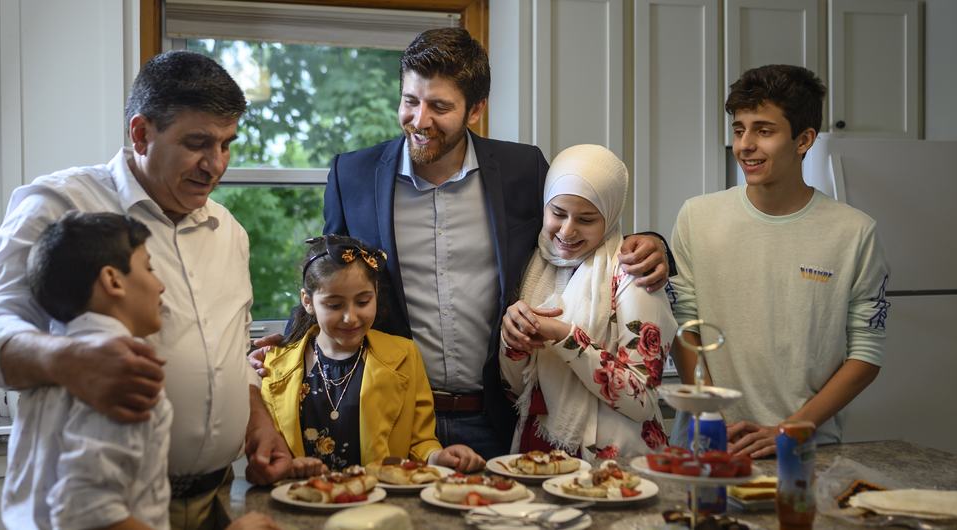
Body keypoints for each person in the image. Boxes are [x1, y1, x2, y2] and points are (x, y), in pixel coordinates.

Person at [250, 28, 671, 458]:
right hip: (395, 414)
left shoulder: (521, 169)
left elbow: (582, 228)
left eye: (440, 106)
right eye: (410, 101)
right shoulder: (353, 175)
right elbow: (329, 272)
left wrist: (654, 243)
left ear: (476, 110)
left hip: (498, 416)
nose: (420, 120)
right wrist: (286, 349)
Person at [0, 50, 286, 530]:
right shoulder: (62, 204)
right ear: (141, 133)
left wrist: (257, 415)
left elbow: (232, 348)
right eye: (197, 143)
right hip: (111, 505)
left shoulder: (230, 230)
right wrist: (66, 361)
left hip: (216, 496)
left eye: (226, 143)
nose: (215, 165)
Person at [668, 64, 890, 458]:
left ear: (804, 140)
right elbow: (684, 326)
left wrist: (790, 429)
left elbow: (866, 354)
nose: (745, 145)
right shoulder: (696, 218)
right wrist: (711, 417)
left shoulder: (854, 233)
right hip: (707, 443)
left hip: (805, 448)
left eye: (764, 130)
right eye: (739, 129)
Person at [8, 211, 273, 530]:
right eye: (148, 268)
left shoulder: (50, 370)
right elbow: (88, 513)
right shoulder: (122, 375)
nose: (160, 286)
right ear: (113, 280)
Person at [499, 144, 679, 461]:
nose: (567, 230)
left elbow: (643, 400)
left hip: (613, 462)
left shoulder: (633, 274)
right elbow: (516, 389)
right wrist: (512, 342)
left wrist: (566, 337)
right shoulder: (532, 267)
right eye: (557, 213)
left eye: (586, 219)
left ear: (609, 217)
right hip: (538, 450)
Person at [260, 235, 485, 473]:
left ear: (375, 292)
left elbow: (420, 442)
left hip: (379, 500)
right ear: (307, 301)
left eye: (363, 301)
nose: (351, 317)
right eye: (334, 305)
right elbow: (270, 449)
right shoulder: (274, 366)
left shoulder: (404, 355)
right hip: (302, 499)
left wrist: (437, 457)